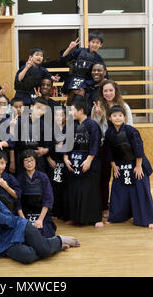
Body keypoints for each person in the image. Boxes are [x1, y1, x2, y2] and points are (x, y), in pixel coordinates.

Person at [0, 185, 80, 269]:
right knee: (27, 257)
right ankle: (50, 245)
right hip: (4, 247)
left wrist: (0, 217)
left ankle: (55, 242)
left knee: (45, 250)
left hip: (19, 227)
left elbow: (12, 220)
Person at [104, 105, 153, 229]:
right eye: (114, 116)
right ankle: (117, 216)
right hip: (120, 165)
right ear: (109, 118)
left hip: (136, 164)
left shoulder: (131, 131)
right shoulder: (109, 133)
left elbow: (139, 149)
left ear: (124, 117)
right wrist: (114, 166)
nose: (117, 118)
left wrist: (138, 166)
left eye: (120, 115)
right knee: (118, 191)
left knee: (140, 190)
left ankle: (147, 219)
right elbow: (109, 151)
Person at [91, 79, 133, 218]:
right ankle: (104, 207)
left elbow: (130, 128)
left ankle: (123, 208)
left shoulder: (124, 107)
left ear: (116, 91)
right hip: (104, 148)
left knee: (121, 178)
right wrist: (97, 116)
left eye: (111, 90)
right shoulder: (97, 106)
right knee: (103, 179)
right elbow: (94, 130)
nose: (108, 93)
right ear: (102, 93)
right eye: (105, 91)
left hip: (121, 148)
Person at [64, 97, 103, 228]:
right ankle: (75, 217)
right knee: (74, 190)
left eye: (72, 110)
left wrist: (89, 160)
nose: (70, 113)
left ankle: (95, 218)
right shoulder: (72, 125)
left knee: (90, 189)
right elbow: (65, 142)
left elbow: (95, 143)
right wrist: (65, 158)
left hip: (89, 161)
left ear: (81, 110)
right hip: (74, 160)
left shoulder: (92, 125)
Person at [16, 149, 56, 238]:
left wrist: (40, 220)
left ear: (36, 161)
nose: (29, 163)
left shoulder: (43, 177)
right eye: (26, 161)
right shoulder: (19, 178)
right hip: (25, 213)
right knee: (22, 234)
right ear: (22, 163)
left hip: (40, 213)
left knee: (44, 232)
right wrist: (23, 219)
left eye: (31, 160)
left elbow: (48, 199)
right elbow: (17, 200)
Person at [60, 31, 107, 105]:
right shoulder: (80, 51)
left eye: (97, 43)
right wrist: (70, 48)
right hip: (73, 78)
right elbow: (64, 59)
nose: (95, 44)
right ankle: (68, 112)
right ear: (88, 42)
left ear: (100, 45)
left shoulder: (99, 59)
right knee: (71, 95)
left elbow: (105, 74)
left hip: (86, 82)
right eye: (93, 42)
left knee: (81, 96)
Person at [14, 97, 52, 174]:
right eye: (37, 108)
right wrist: (12, 161)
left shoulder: (46, 126)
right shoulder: (19, 122)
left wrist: (45, 150)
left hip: (38, 161)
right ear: (31, 107)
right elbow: (13, 144)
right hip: (21, 159)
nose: (39, 111)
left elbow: (49, 145)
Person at [45, 106, 69, 221]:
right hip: (54, 161)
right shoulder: (50, 129)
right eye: (57, 115)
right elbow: (45, 146)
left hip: (66, 161)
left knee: (66, 187)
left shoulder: (70, 128)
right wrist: (48, 158)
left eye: (61, 115)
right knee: (54, 186)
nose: (59, 117)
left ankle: (64, 211)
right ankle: (54, 210)